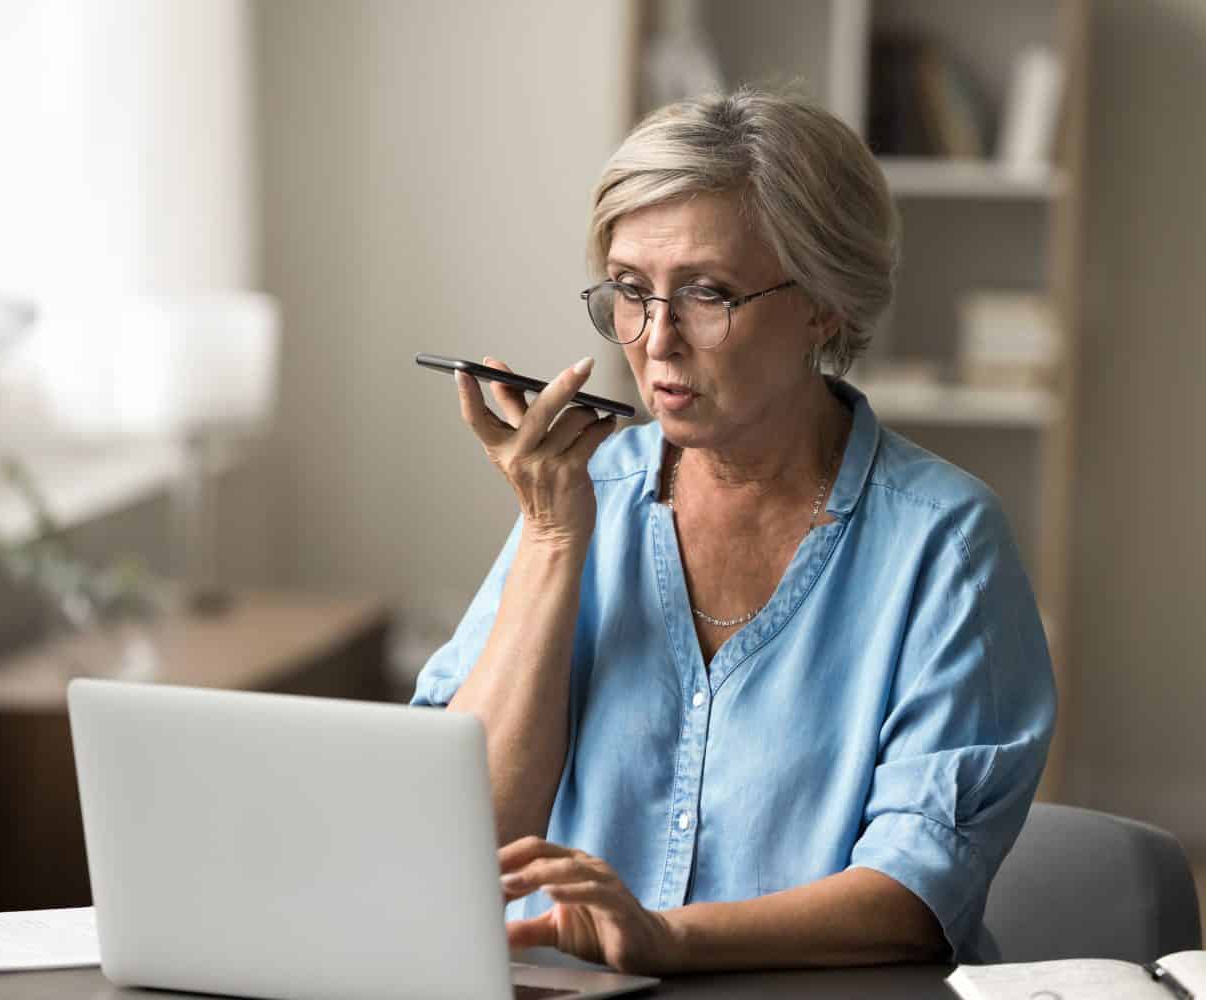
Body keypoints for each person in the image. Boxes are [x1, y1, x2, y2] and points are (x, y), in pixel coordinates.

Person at [412, 88, 1056, 974]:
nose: (656, 341)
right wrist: (553, 542)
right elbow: (458, 847)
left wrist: (664, 939)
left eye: (707, 294)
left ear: (824, 303)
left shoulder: (945, 545)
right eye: (632, 293)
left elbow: (916, 893)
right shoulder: (573, 494)